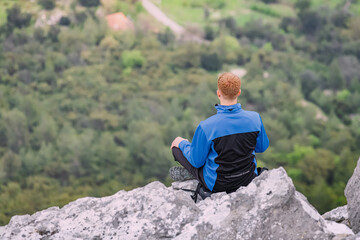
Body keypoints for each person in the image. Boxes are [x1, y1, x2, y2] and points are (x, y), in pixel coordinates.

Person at [170, 72, 269, 193]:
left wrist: (181, 143)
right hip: (247, 179)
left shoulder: (206, 126)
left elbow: (197, 161)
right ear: (239, 92)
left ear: (218, 93)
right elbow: (261, 147)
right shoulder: (255, 118)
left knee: (177, 148)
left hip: (218, 184)